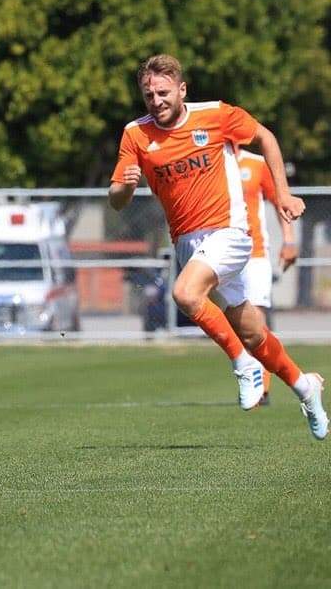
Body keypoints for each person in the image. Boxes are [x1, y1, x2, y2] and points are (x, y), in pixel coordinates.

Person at [108, 54, 326, 439]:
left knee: (184, 294)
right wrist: (125, 185)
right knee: (254, 334)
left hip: (230, 233)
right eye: (148, 95)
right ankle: (305, 387)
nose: (156, 101)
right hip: (188, 246)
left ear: (182, 90)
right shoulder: (135, 134)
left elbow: (266, 138)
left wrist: (286, 196)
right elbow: (116, 199)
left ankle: (243, 366)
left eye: (162, 92)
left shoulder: (216, 115)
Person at [237, 147, 298, 405]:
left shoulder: (256, 163)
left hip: (256, 253)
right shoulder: (212, 162)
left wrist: (289, 240)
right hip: (223, 255)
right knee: (238, 325)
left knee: (257, 320)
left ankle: (262, 388)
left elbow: (279, 201)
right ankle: (250, 375)